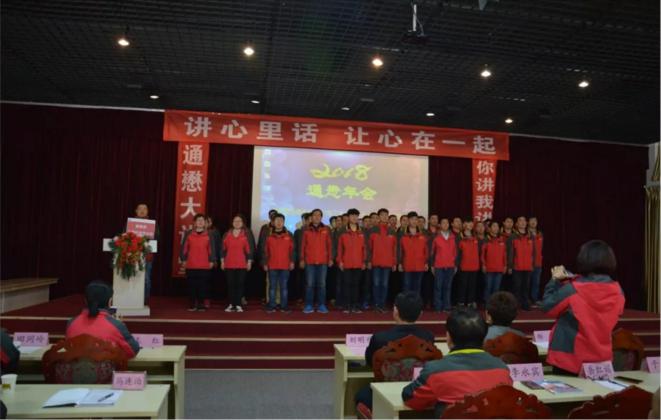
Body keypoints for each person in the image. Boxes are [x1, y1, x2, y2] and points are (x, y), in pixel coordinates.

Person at [402, 307, 512, 417]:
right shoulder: (502, 369)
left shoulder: (435, 370)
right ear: (484, 339)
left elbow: (410, 398)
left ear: (449, 337)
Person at [542, 240, 625, 375]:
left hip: (569, 359)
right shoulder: (618, 291)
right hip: (601, 358)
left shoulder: (573, 289)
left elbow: (548, 307)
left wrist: (554, 280)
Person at [355, 292, 435, 410]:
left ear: (395, 311)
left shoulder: (380, 338)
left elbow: (370, 362)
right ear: (420, 314)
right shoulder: (428, 337)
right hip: (416, 390)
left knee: (360, 395)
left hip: (384, 392)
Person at [66, 281, 140, 359]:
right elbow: (133, 350)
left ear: (85, 300)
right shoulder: (116, 325)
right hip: (107, 367)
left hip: (76, 367)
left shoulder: (71, 323)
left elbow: (69, 349)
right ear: (110, 302)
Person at [181, 214, 216, 312]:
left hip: (204, 264)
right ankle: (192, 304)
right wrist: (183, 259)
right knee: (191, 285)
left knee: (203, 285)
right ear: (194, 223)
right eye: (198, 220)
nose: (200, 222)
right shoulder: (188, 233)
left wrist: (212, 260)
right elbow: (184, 248)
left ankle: (201, 304)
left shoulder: (209, 234)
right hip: (191, 264)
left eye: (202, 220)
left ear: (205, 223)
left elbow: (211, 248)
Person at [300, 209, 333, 314]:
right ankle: (309, 305)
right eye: (315, 215)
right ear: (311, 217)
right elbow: (302, 246)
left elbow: (329, 245)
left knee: (322, 284)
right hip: (310, 261)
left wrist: (330, 258)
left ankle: (321, 305)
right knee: (310, 284)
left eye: (319, 215)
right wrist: (302, 259)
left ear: (321, 217)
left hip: (323, 261)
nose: (317, 217)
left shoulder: (326, 229)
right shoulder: (306, 230)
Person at [221, 214, 254, 313]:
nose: (237, 223)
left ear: (242, 223)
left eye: (239, 221)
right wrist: (222, 261)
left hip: (241, 264)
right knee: (230, 284)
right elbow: (222, 249)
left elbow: (248, 250)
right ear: (232, 223)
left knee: (240, 284)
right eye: (235, 221)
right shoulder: (227, 234)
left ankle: (238, 304)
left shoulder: (245, 235)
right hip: (229, 263)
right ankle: (231, 304)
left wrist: (249, 262)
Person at [263, 213, 294, 313]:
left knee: (284, 287)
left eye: (281, 220)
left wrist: (292, 261)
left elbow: (292, 250)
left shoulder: (289, 235)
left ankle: (284, 306)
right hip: (272, 265)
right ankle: (271, 306)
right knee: (272, 287)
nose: (279, 222)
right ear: (273, 222)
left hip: (285, 266)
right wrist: (265, 263)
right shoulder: (269, 236)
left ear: (284, 222)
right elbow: (265, 251)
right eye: (277, 220)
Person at [337, 209, 367, 313]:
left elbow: (365, 248)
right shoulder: (343, 231)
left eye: (356, 216)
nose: (354, 218)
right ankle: (346, 306)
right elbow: (340, 248)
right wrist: (340, 261)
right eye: (352, 215)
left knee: (356, 285)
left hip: (358, 263)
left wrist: (364, 261)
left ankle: (355, 306)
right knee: (346, 285)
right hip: (346, 262)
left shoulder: (362, 231)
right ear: (348, 217)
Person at [368, 208, 397, 312]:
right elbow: (369, 247)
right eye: (382, 215)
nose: (384, 217)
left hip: (387, 262)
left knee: (384, 285)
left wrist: (394, 262)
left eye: (386, 215)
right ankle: (376, 304)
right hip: (376, 262)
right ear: (379, 217)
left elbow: (394, 248)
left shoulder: (391, 231)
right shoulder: (373, 230)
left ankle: (382, 304)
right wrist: (369, 261)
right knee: (376, 284)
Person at [132, 203, 159, 305]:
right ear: (136, 211)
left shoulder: (152, 224)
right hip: (132, 255)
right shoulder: (130, 223)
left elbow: (158, 237)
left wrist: (150, 235)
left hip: (147, 256)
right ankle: (132, 299)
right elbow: (124, 236)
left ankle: (144, 301)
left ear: (147, 211)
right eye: (140, 209)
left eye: (145, 209)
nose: (142, 211)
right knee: (132, 277)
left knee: (146, 279)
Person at [507, 216, 534, 310]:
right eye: (520, 221)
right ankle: (515, 305)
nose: (522, 222)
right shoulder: (512, 236)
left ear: (526, 223)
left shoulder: (531, 236)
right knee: (516, 287)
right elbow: (510, 252)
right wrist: (510, 266)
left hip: (528, 266)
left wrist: (532, 264)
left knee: (526, 287)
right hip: (516, 267)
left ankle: (525, 304)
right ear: (517, 224)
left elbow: (533, 252)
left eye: (524, 221)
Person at [398, 212, 429, 296]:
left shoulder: (423, 235)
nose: (414, 221)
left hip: (420, 264)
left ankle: (416, 303)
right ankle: (406, 303)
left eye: (416, 219)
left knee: (417, 286)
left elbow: (426, 250)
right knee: (406, 286)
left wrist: (426, 262)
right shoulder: (402, 234)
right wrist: (400, 263)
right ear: (408, 221)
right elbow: (400, 250)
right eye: (412, 219)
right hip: (407, 264)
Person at [430, 218, 457, 312]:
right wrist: (432, 265)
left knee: (448, 287)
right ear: (440, 225)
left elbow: (456, 252)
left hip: (450, 265)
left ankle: (446, 306)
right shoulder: (436, 237)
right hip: (439, 266)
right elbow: (432, 252)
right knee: (438, 287)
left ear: (449, 225)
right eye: (443, 223)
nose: (445, 224)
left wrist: (455, 265)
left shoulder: (453, 237)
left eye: (447, 223)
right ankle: (438, 306)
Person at [481, 221, 507, 303]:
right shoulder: (486, 240)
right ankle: (487, 303)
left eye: (497, 226)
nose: (496, 228)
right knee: (488, 287)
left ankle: (494, 304)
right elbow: (482, 254)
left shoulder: (502, 240)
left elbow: (504, 254)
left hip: (499, 268)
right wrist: (483, 265)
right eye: (494, 226)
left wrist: (505, 265)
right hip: (489, 268)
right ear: (489, 228)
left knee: (496, 288)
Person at [456, 218, 480, 308]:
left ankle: (470, 302)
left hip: (474, 266)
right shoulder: (459, 236)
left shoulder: (475, 236)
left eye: (471, 224)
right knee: (462, 285)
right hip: (463, 266)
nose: (470, 225)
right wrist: (457, 264)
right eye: (467, 223)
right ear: (464, 224)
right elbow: (457, 253)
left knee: (472, 285)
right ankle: (461, 302)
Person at [293, 212, 311, 301]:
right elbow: (295, 247)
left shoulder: (315, 231)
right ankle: (300, 297)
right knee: (300, 280)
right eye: (304, 220)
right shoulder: (298, 232)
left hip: (312, 260)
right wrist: (299, 259)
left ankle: (309, 298)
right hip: (300, 260)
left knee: (310, 281)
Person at [205, 215, 222, 309]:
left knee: (210, 280)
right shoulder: (195, 232)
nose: (207, 223)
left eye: (209, 221)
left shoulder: (215, 232)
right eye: (206, 221)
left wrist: (215, 259)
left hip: (212, 259)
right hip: (200, 260)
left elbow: (218, 246)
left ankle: (209, 298)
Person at [528, 216, 544, 307]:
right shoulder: (526, 234)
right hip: (528, 263)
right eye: (531, 221)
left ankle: (534, 299)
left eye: (535, 221)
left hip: (538, 263)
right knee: (527, 283)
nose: (533, 222)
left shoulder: (540, 234)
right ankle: (527, 300)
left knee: (536, 283)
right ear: (528, 222)